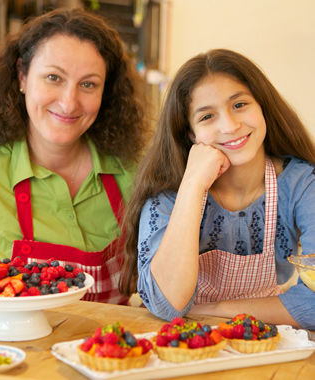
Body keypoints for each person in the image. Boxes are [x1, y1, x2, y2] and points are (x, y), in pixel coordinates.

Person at [0, 8, 150, 304]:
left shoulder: (135, 167)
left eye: (88, 84)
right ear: (22, 76)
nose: (69, 102)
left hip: (108, 348)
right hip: (11, 349)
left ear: (106, 92)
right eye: (53, 77)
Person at [119, 48, 315, 329]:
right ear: (190, 134)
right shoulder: (167, 195)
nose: (230, 125)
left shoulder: (301, 183)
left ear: (262, 107)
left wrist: (212, 309)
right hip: (185, 345)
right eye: (207, 117)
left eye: (239, 105)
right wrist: (193, 184)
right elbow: (167, 304)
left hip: (267, 342)